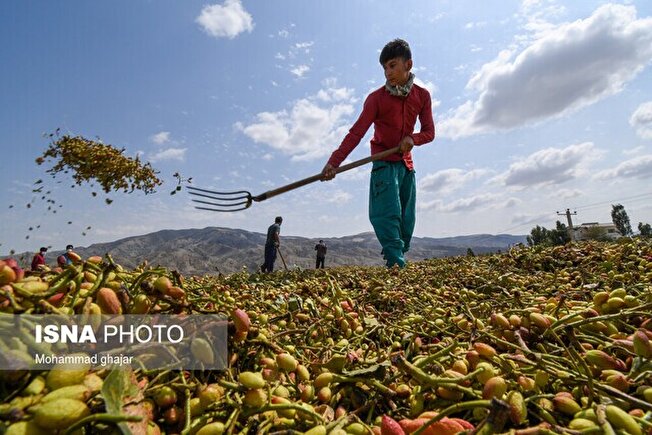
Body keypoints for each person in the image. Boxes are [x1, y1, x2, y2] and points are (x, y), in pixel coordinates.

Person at [321, 38, 434, 268]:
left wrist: (413, 139)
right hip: (383, 162)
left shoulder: (422, 96)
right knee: (386, 214)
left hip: (406, 165)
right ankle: (396, 265)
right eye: (384, 68)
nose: (387, 72)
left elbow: (429, 132)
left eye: (392, 65)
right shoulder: (376, 99)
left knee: (406, 221)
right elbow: (355, 134)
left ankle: (397, 257)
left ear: (408, 65)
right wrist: (334, 163)